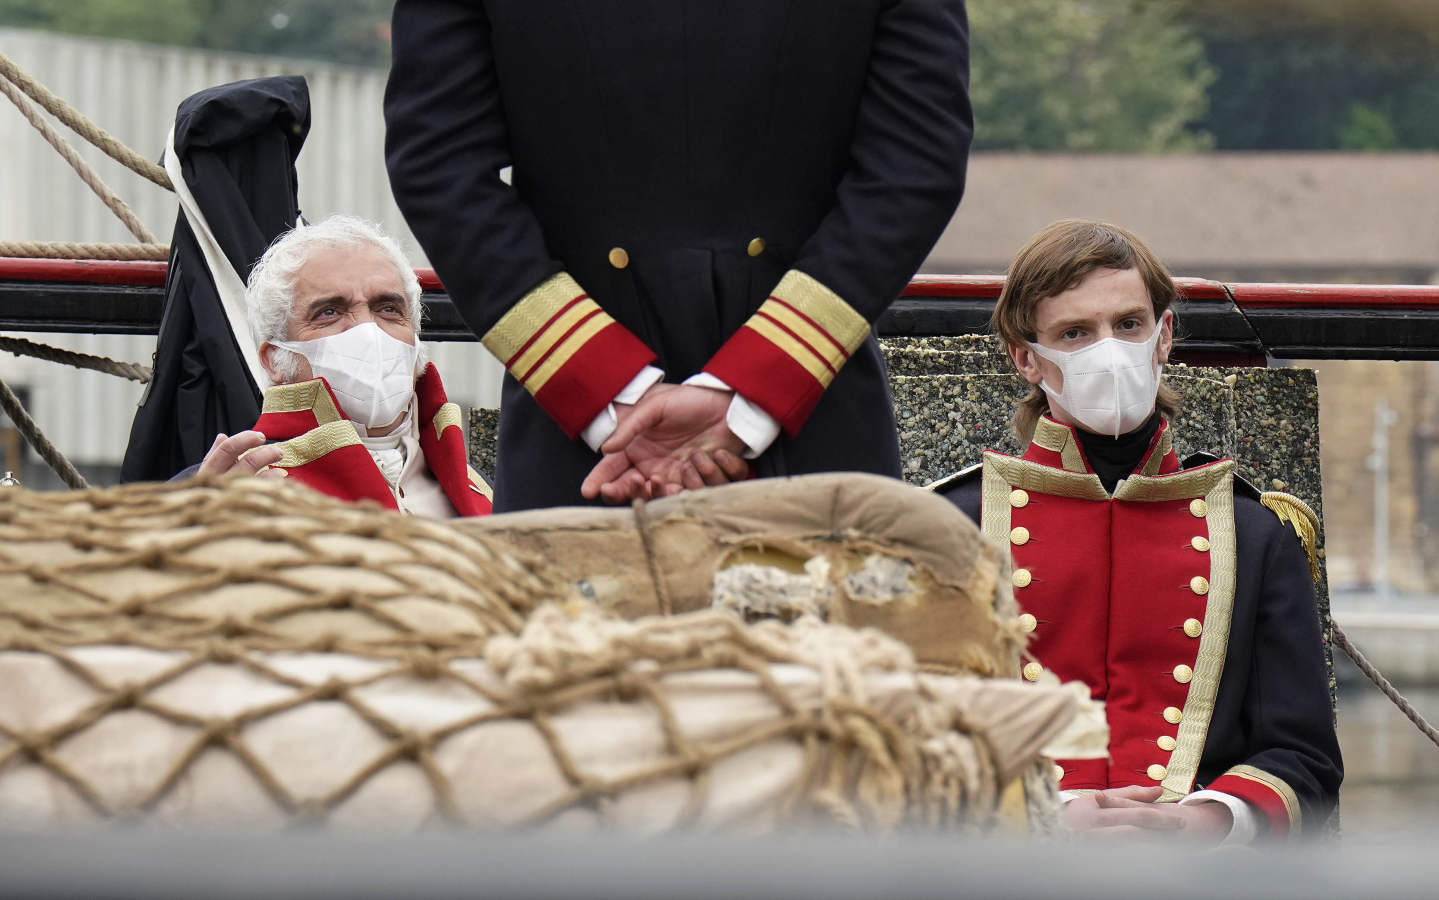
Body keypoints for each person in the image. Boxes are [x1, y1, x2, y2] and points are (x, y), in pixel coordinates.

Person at [383, 0, 973, 511]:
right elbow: (914, 166)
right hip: (813, 413)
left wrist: (608, 392)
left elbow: (441, 168)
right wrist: (756, 389)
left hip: (581, 443)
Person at [935, 220, 1341, 843]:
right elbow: (894, 747)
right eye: (1076, 332)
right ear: (1025, 357)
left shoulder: (1255, 532)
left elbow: (1304, 761)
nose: (1110, 349)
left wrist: (1207, 819)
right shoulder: (949, 527)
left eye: (1128, 324)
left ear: (1164, 335)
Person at [192, 214, 493, 518]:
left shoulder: (485, 490)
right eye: (329, 312)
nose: (367, 330)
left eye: (388, 309)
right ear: (274, 361)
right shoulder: (220, 491)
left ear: (416, 343)